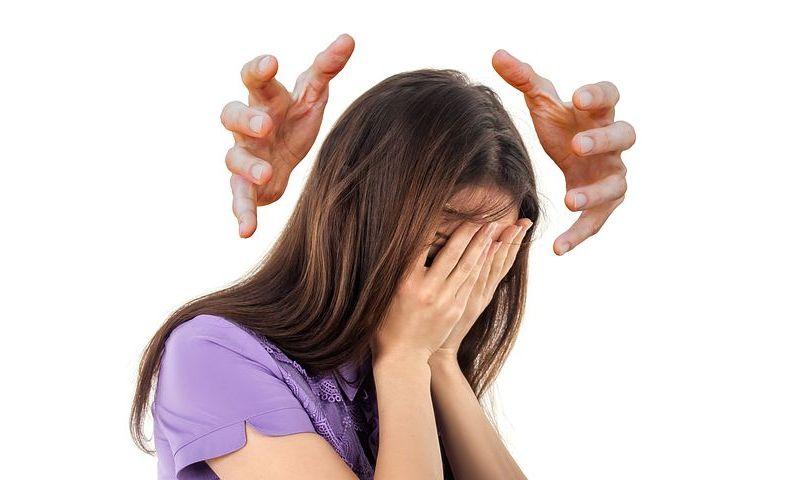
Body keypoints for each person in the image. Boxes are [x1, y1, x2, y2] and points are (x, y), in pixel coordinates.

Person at [130, 33, 635, 480]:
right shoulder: (212, 354)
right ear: (358, 218)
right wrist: (406, 358)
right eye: (441, 248)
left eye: (488, 253)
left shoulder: (407, 358)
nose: (457, 282)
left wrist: (440, 360)